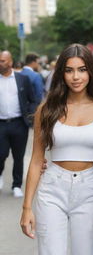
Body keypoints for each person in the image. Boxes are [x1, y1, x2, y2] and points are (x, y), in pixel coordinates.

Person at [20, 44, 93, 255]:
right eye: (69, 70)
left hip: (89, 188)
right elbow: (35, 160)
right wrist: (26, 208)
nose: (75, 77)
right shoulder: (47, 109)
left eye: (82, 69)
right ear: (61, 73)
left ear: (91, 72)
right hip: (52, 187)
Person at [0, 51, 36, 197]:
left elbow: (32, 99)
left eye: (2, 61)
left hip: (19, 124)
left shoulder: (22, 79)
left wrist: (29, 115)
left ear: (10, 62)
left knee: (18, 156)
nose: (0, 63)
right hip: (1, 124)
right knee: (1, 154)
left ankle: (16, 185)